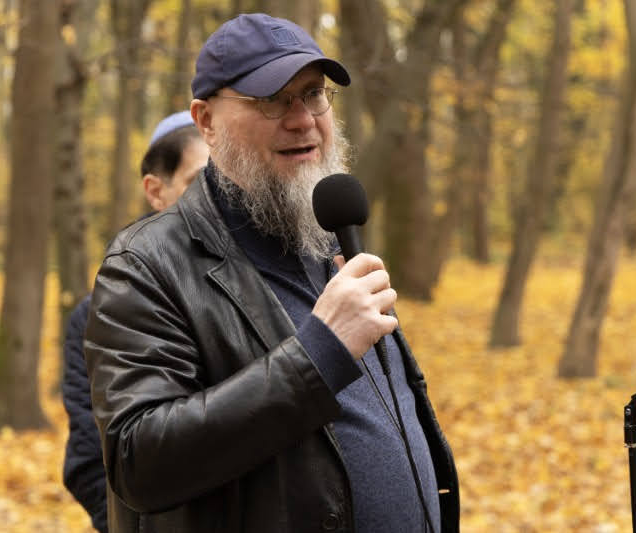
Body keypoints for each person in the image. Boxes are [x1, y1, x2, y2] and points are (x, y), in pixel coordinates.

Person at [84, 13, 459, 533]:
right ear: (206, 120)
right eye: (272, 99)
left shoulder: (327, 235)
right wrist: (318, 354)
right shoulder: (146, 264)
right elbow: (137, 461)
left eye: (313, 93)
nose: (302, 119)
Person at [61, 111, 209, 533]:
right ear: (155, 191)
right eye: (199, 181)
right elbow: (90, 460)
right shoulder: (100, 311)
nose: (218, 196)